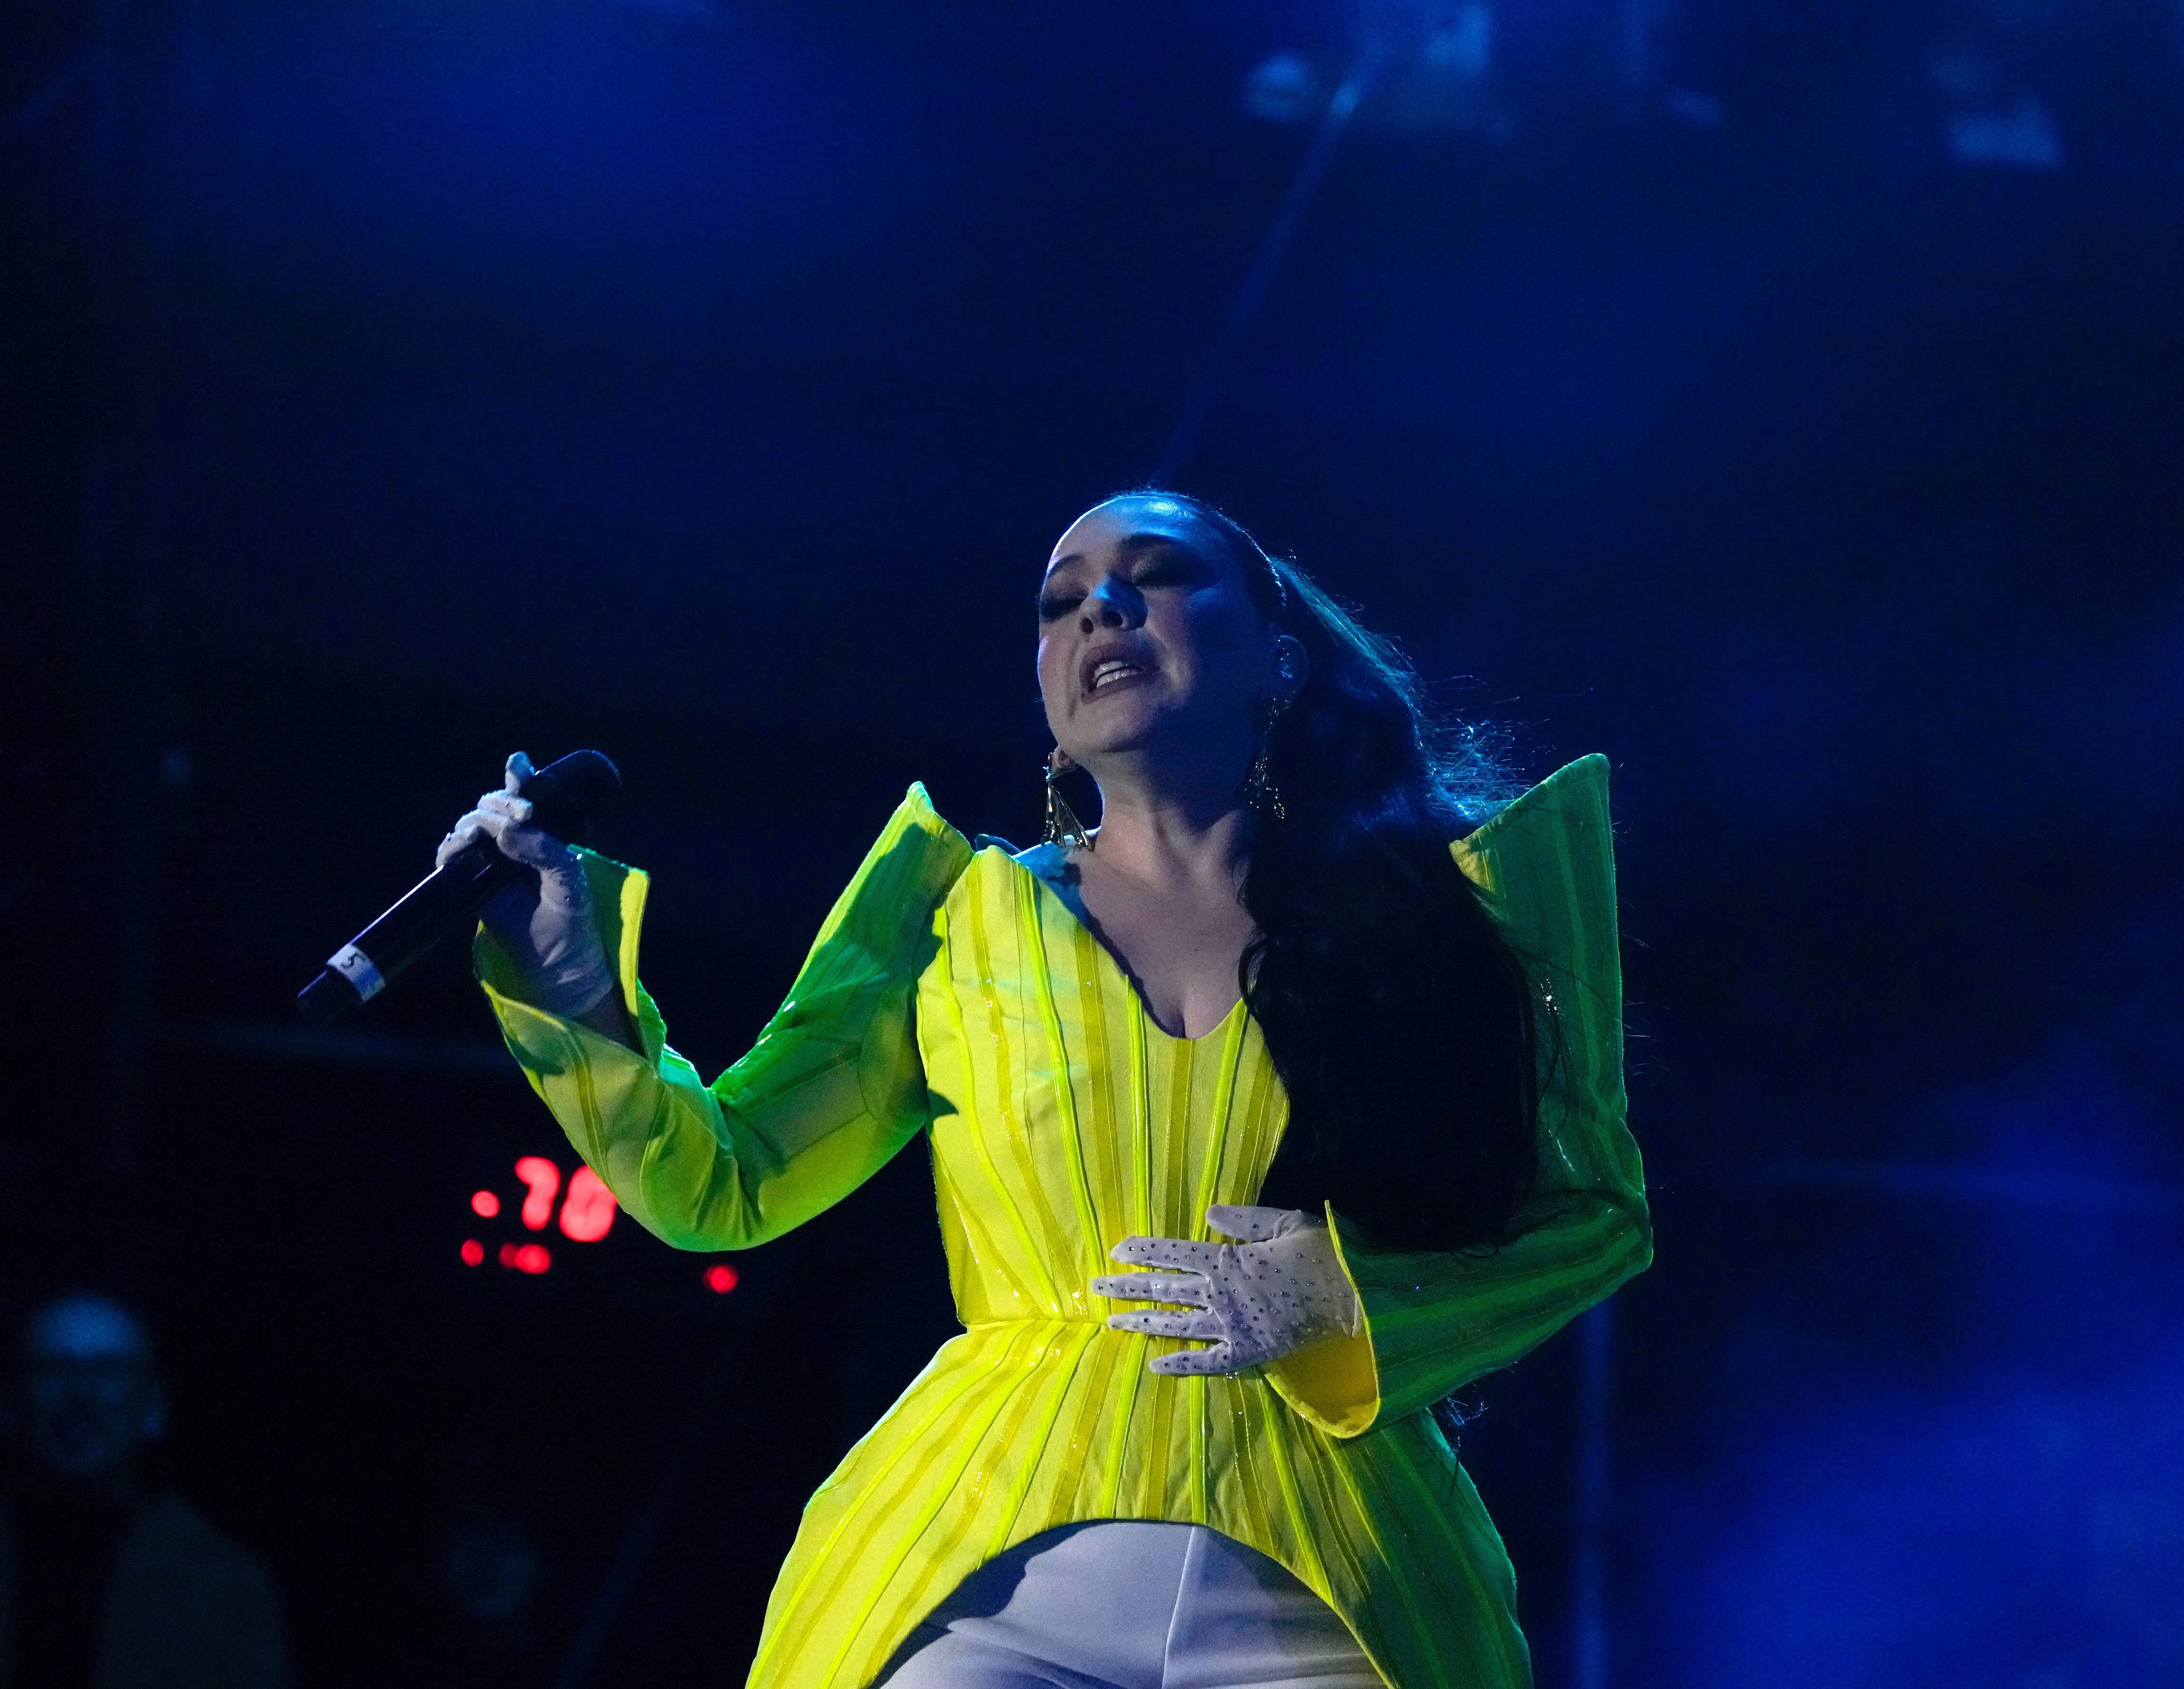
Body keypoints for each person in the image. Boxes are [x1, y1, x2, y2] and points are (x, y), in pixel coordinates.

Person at [443, 492, 1651, 1689]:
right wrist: (570, 981)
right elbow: (722, 1186)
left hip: (1338, 1568)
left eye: (1157, 573)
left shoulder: (1458, 912)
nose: (1101, 609)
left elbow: (1591, 1215)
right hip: (989, 1576)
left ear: (1279, 657)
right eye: (1059, 603)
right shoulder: (949, 917)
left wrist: (1343, 1293)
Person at [0, 1294, 291, 1689]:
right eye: (53, 1369)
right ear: (9, 1404)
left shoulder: (225, 1586)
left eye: (109, 1371)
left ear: (153, 1407)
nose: (80, 1395)